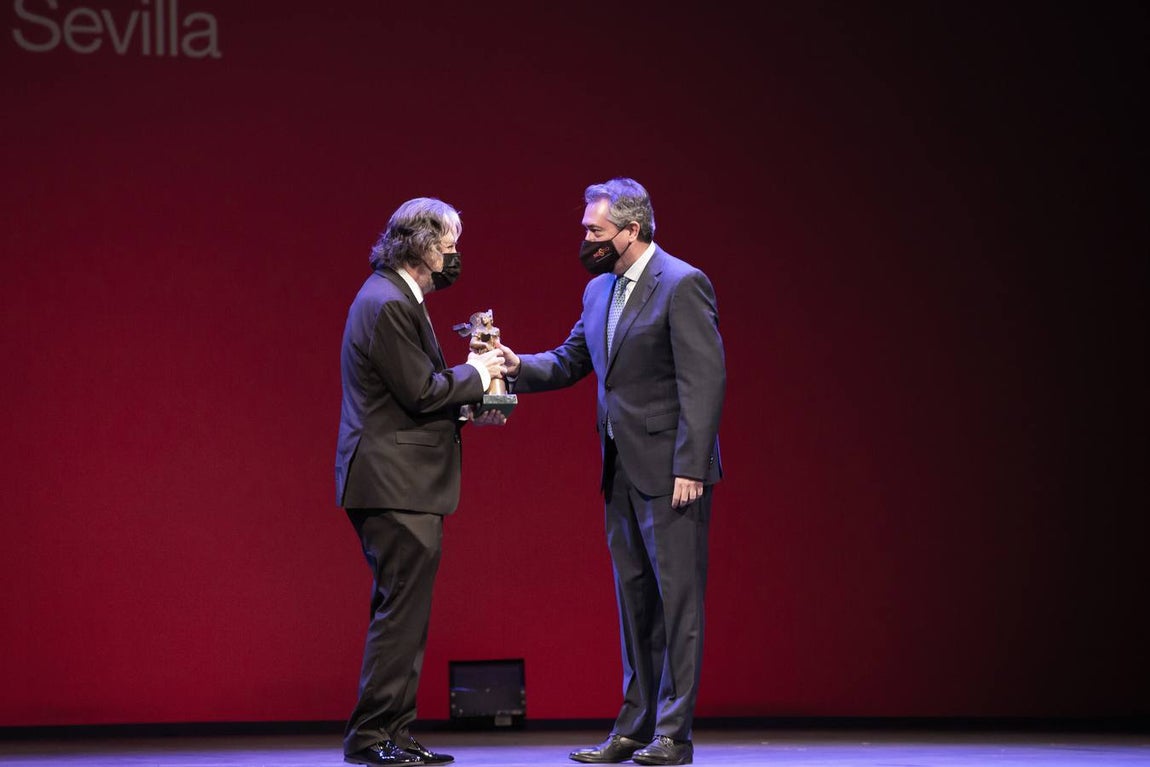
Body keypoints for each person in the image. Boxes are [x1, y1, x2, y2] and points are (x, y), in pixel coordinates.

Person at [499, 178, 725, 766]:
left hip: (672, 473)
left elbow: (704, 381)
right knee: (634, 603)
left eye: (594, 230)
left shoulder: (681, 283)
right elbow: (573, 359)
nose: (586, 239)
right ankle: (634, 726)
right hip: (620, 469)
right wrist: (516, 365)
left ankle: (673, 734)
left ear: (631, 230)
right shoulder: (600, 289)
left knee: (678, 604)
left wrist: (691, 465)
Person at [334, 197, 506, 766]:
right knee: (400, 614)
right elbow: (420, 390)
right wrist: (477, 373)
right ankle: (371, 736)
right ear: (422, 246)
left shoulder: (397, 297)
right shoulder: (386, 302)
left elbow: (413, 396)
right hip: (393, 483)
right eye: (449, 246)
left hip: (403, 481)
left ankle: (395, 731)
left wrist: (465, 404)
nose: (454, 257)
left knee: (406, 614)